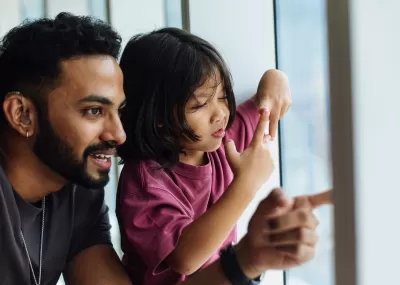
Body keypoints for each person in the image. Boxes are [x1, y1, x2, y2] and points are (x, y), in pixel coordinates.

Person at [0, 13, 331, 285]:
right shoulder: (142, 182)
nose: (119, 134)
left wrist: (251, 257)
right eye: (95, 111)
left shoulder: (78, 197)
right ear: (22, 114)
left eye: (119, 111)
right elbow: (185, 257)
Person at [116, 28, 328, 285]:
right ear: (158, 117)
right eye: (199, 105)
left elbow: (267, 98)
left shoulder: (221, 141)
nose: (220, 114)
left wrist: (276, 78)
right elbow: (185, 258)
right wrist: (246, 184)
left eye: (223, 97)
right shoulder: (143, 180)